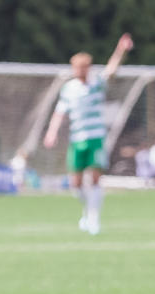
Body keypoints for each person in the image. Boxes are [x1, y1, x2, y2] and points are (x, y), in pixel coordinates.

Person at [42, 33, 134, 234]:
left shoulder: (96, 84)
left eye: (83, 67)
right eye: (77, 68)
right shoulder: (69, 89)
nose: (80, 71)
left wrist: (121, 49)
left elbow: (111, 69)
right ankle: (87, 211)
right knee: (75, 185)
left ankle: (94, 219)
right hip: (77, 140)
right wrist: (52, 132)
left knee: (94, 179)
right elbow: (59, 113)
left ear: (88, 68)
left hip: (95, 138)